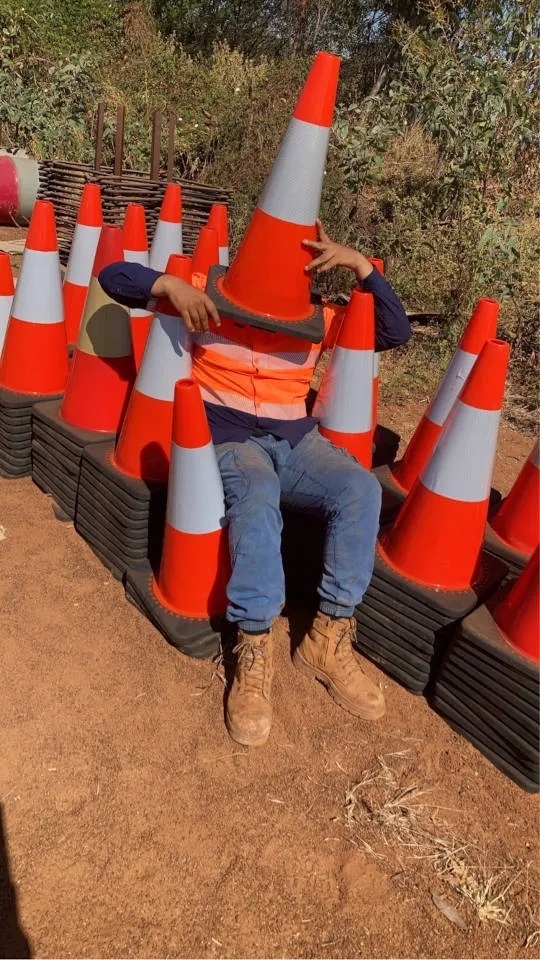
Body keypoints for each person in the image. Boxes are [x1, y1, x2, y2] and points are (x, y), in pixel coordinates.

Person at [99, 220, 411, 747]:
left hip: (296, 442)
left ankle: (329, 637)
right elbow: (113, 276)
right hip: (227, 440)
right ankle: (254, 641)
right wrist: (167, 284)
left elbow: (394, 332)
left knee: (362, 490)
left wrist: (361, 267)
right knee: (257, 492)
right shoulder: (208, 292)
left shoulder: (319, 317)